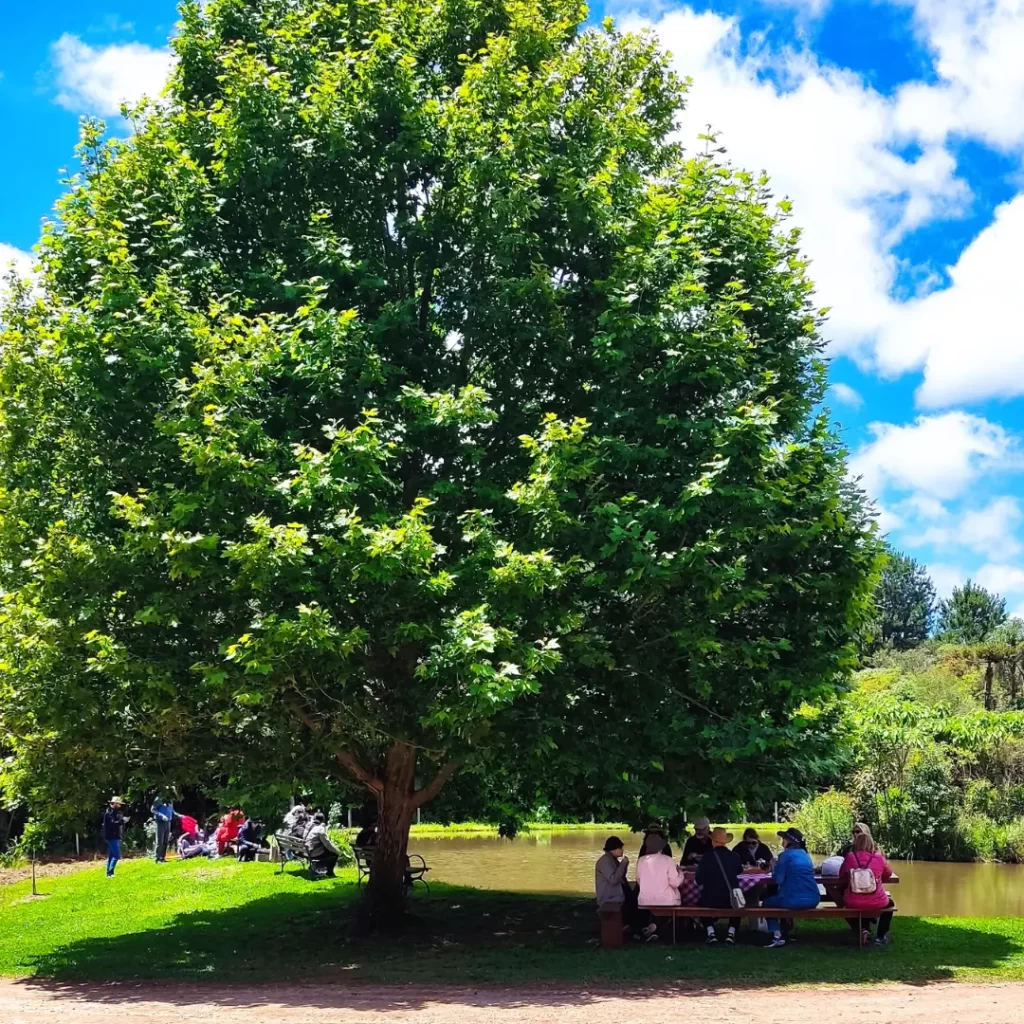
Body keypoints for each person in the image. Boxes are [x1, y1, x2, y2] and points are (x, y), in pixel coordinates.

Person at [762, 827, 820, 948]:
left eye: (783, 838)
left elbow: (778, 880)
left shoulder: (785, 855)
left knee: (767, 903)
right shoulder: (805, 855)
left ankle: (776, 935)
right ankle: (787, 931)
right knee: (781, 899)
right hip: (813, 898)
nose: (782, 841)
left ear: (788, 841)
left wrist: (774, 867)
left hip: (792, 900)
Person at [839, 824, 896, 947]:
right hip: (877, 900)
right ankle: (880, 937)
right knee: (890, 905)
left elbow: (842, 875)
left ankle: (863, 929)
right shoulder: (879, 857)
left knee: (844, 900)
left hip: (853, 901)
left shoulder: (850, 857)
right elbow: (888, 874)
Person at [695, 827, 743, 945]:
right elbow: (739, 872)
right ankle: (731, 933)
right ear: (725, 842)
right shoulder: (735, 856)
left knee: (700, 903)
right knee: (739, 903)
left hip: (710, 899)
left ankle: (711, 932)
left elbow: (698, 880)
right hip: (730, 899)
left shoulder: (707, 857)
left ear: (713, 841)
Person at [637, 834, 685, 915]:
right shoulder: (667, 859)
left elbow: (639, 881)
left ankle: (654, 925)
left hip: (644, 900)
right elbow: (675, 883)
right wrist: (681, 874)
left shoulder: (640, 861)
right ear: (660, 848)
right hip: (666, 901)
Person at [305, 812, 340, 877]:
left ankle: (318, 866)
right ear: (323, 820)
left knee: (330, 852)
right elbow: (327, 844)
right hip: (314, 853)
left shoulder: (313, 828)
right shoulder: (320, 829)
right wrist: (337, 851)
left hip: (308, 851)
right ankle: (321, 867)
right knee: (335, 854)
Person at [102, 796, 126, 877]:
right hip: (111, 837)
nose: (119, 806)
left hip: (114, 836)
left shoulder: (114, 812)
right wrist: (122, 821)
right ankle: (110, 872)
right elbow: (113, 824)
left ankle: (108, 873)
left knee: (111, 856)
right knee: (116, 855)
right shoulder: (109, 813)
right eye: (118, 804)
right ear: (115, 804)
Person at [151, 793, 177, 863]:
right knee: (160, 841)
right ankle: (157, 858)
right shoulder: (159, 799)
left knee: (165, 841)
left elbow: (172, 812)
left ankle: (162, 857)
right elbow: (153, 809)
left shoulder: (170, 800)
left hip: (168, 822)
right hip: (160, 822)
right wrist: (161, 815)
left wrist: (181, 816)